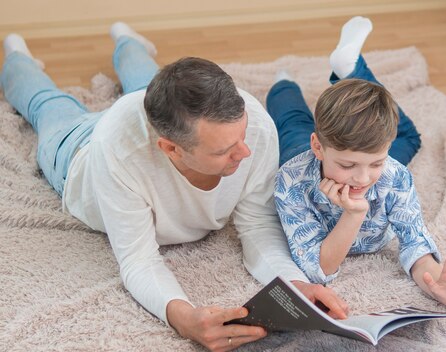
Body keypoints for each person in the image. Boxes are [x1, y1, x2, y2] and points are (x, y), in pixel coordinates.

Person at [0, 22, 349, 351]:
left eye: (241, 136)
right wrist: (183, 317)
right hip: (76, 152)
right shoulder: (119, 150)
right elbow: (138, 260)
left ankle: (127, 40)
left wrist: (294, 284)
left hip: (155, 117)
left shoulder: (253, 125)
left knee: (147, 82)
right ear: (171, 149)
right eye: (224, 150)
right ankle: (16, 54)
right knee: (49, 105)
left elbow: (257, 224)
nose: (245, 152)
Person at [268, 16, 446, 307]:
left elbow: (414, 242)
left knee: (408, 141)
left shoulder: (394, 175)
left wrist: (438, 284)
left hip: (358, 158)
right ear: (318, 146)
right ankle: (283, 83)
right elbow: (318, 269)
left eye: (376, 163)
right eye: (347, 165)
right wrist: (353, 215)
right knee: (292, 121)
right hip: (300, 158)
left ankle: (350, 71)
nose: (364, 179)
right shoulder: (290, 181)